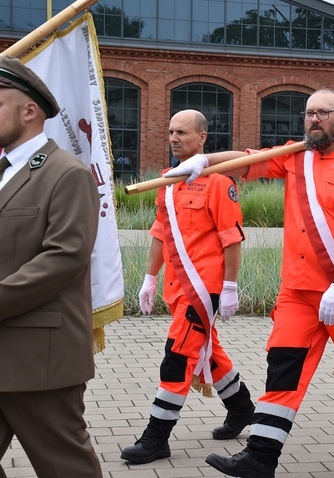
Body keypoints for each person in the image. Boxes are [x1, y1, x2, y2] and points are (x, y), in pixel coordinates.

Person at [166, 89, 334, 478]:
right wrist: (205, 161)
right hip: (298, 291)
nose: (314, 120)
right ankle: (260, 457)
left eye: (323, 113)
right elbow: (250, 161)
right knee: (282, 368)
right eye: (309, 113)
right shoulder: (297, 154)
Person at [120, 109, 255, 464]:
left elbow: (232, 239)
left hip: (205, 289)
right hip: (177, 287)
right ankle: (241, 407)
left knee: (177, 357)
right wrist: (149, 278)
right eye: (170, 132)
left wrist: (229, 287)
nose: (174, 138)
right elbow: (159, 233)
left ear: (202, 138)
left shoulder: (218, 180)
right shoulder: (167, 178)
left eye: (182, 132)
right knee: (207, 352)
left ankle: (156, 437)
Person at [0, 56, 103, 477]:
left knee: (65, 468)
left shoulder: (66, 174)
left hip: (37, 358)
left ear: (29, 111)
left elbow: (63, 258)